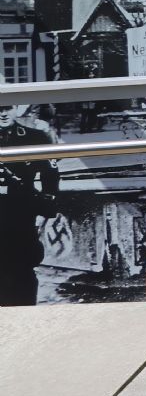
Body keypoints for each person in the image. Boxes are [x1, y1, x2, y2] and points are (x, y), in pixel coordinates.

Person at [0, 104, 60, 308]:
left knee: (23, 267)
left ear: (16, 108)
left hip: (21, 211)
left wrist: (45, 212)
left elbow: (50, 174)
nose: (3, 113)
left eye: (7, 107)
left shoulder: (35, 137)